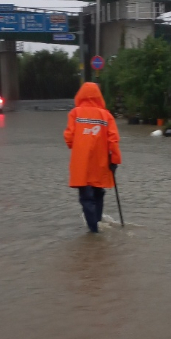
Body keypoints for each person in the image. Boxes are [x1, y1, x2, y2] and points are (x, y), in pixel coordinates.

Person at [64, 82, 122, 233]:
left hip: (81, 163)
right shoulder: (106, 116)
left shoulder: (75, 114)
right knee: (98, 192)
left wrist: (77, 144)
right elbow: (113, 140)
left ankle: (93, 230)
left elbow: (69, 137)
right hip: (100, 163)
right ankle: (97, 223)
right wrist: (115, 160)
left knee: (86, 197)